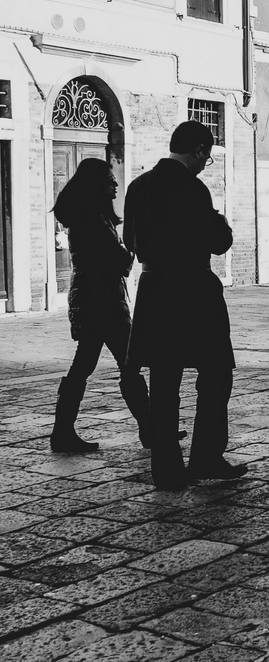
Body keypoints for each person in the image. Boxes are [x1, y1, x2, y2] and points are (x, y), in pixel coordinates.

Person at [123, 121, 247, 491]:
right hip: (192, 289)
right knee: (216, 373)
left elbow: (130, 240)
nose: (204, 162)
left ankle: (166, 469)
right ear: (197, 151)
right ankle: (206, 456)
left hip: (154, 288)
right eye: (206, 156)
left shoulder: (137, 186)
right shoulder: (192, 189)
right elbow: (218, 241)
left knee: (164, 380)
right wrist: (220, 221)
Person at [50, 158, 151, 453]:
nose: (115, 183)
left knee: (88, 366)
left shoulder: (93, 217)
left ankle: (63, 432)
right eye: (109, 179)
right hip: (102, 302)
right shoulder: (93, 221)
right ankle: (149, 430)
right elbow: (121, 264)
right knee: (127, 365)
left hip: (96, 299)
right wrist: (132, 240)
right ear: (96, 185)